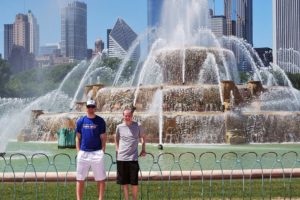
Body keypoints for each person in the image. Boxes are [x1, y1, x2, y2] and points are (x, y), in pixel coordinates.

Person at [75, 100, 107, 200]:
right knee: (80, 179)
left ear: (95, 108)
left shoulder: (100, 121)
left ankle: (100, 199)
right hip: (83, 153)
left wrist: (102, 151)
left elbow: (103, 137)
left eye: (92, 106)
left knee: (100, 178)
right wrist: (78, 151)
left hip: (97, 152)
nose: (90, 108)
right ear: (86, 107)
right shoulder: (81, 121)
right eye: (89, 106)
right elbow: (78, 137)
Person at [115, 108, 146, 200]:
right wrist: (117, 149)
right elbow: (116, 138)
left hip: (133, 158)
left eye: (129, 116)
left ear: (132, 116)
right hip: (121, 158)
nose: (127, 117)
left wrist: (143, 149)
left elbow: (143, 137)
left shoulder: (138, 126)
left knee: (134, 182)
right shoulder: (119, 127)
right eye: (126, 116)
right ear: (123, 116)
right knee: (124, 182)